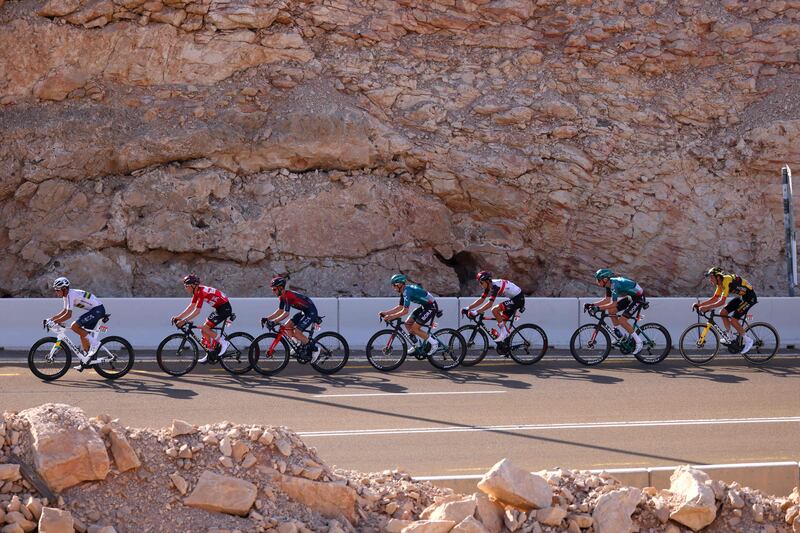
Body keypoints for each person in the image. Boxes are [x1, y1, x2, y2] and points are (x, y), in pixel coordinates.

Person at [694, 267, 757, 354]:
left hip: (750, 298)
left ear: (718, 277)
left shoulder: (726, 281)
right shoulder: (720, 284)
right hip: (742, 297)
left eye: (712, 277)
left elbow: (722, 302)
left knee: (733, 320)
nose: (710, 280)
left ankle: (748, 340)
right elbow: (714, 298)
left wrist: (707, 308)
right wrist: (700, 305)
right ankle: (730, 337)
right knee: (723, 312)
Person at [48, 277, 106, 368]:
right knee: (82, 333)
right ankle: (86, 359)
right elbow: (64, 311)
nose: (56, 292)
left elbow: (68, 315)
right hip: (95, 310)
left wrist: (55, 321)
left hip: (98, 310)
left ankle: (95, 344)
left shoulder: (71, 294)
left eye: (57, 290)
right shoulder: (66, 296)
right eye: (55, 290)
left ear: (64, 289)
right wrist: (51, 319)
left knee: (74, 326)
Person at [171, 274, 231, 363]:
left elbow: (197, 311)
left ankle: (224, 342)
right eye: (185, 286)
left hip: (224, 308)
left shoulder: (201, 292)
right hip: (219, 308)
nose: (185, 288)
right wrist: (179, 317)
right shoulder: (196, 291)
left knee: (205, 328)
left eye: (187, 286)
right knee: (203, 330)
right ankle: (210, 353)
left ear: (193, 285)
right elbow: (191, 306)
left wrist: (184, 320)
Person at [586, 268, 646, 355]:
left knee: (622, 320)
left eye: (598, 280)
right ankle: (620, 336)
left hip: (638, 298)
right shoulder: (608, 284)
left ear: (605, 279)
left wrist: (599, 308)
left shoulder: (614, 285)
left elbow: (614, 303)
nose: (597, 282)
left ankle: (639, 342)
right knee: (611, 311)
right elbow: (607, 300)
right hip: (631, 297)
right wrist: (592, 305)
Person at [261, 276, 321, 362]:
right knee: (287, 326)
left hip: (311, 311)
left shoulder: (287, 296)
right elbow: (280, 311)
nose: (273, 292)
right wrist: (267, 318)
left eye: (274, 289)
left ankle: (315, 349)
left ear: (281, 288)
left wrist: (274, 322)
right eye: (272, 290)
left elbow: (286, 313)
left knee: (297, 332)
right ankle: (299, 346)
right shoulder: (282, 296)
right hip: (304, 311)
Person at [379, 274, 439, 354]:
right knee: (407, 323)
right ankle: (416, 345)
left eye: (394, 285)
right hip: (424, 306)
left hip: (431, 307)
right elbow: (400, 307)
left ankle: (434, 343)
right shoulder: (403, 291)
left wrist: (391, 317)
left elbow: (405, 311)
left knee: (415, 328)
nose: (393, 288)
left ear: (399, 284)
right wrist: (385, 313)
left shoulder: (407, 291)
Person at [462, 271, 524, 342]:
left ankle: (504, 334)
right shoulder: (489, 285)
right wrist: (468, 308)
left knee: (495, 310)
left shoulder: (495, 286)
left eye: (481, 282)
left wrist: (476, 312)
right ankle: (506, 344)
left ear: (487, 281)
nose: (480, 284)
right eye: (479, 282)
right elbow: (481, 300)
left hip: (518, 299)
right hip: (514, 298)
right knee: (501, 323)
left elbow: (490, 304)